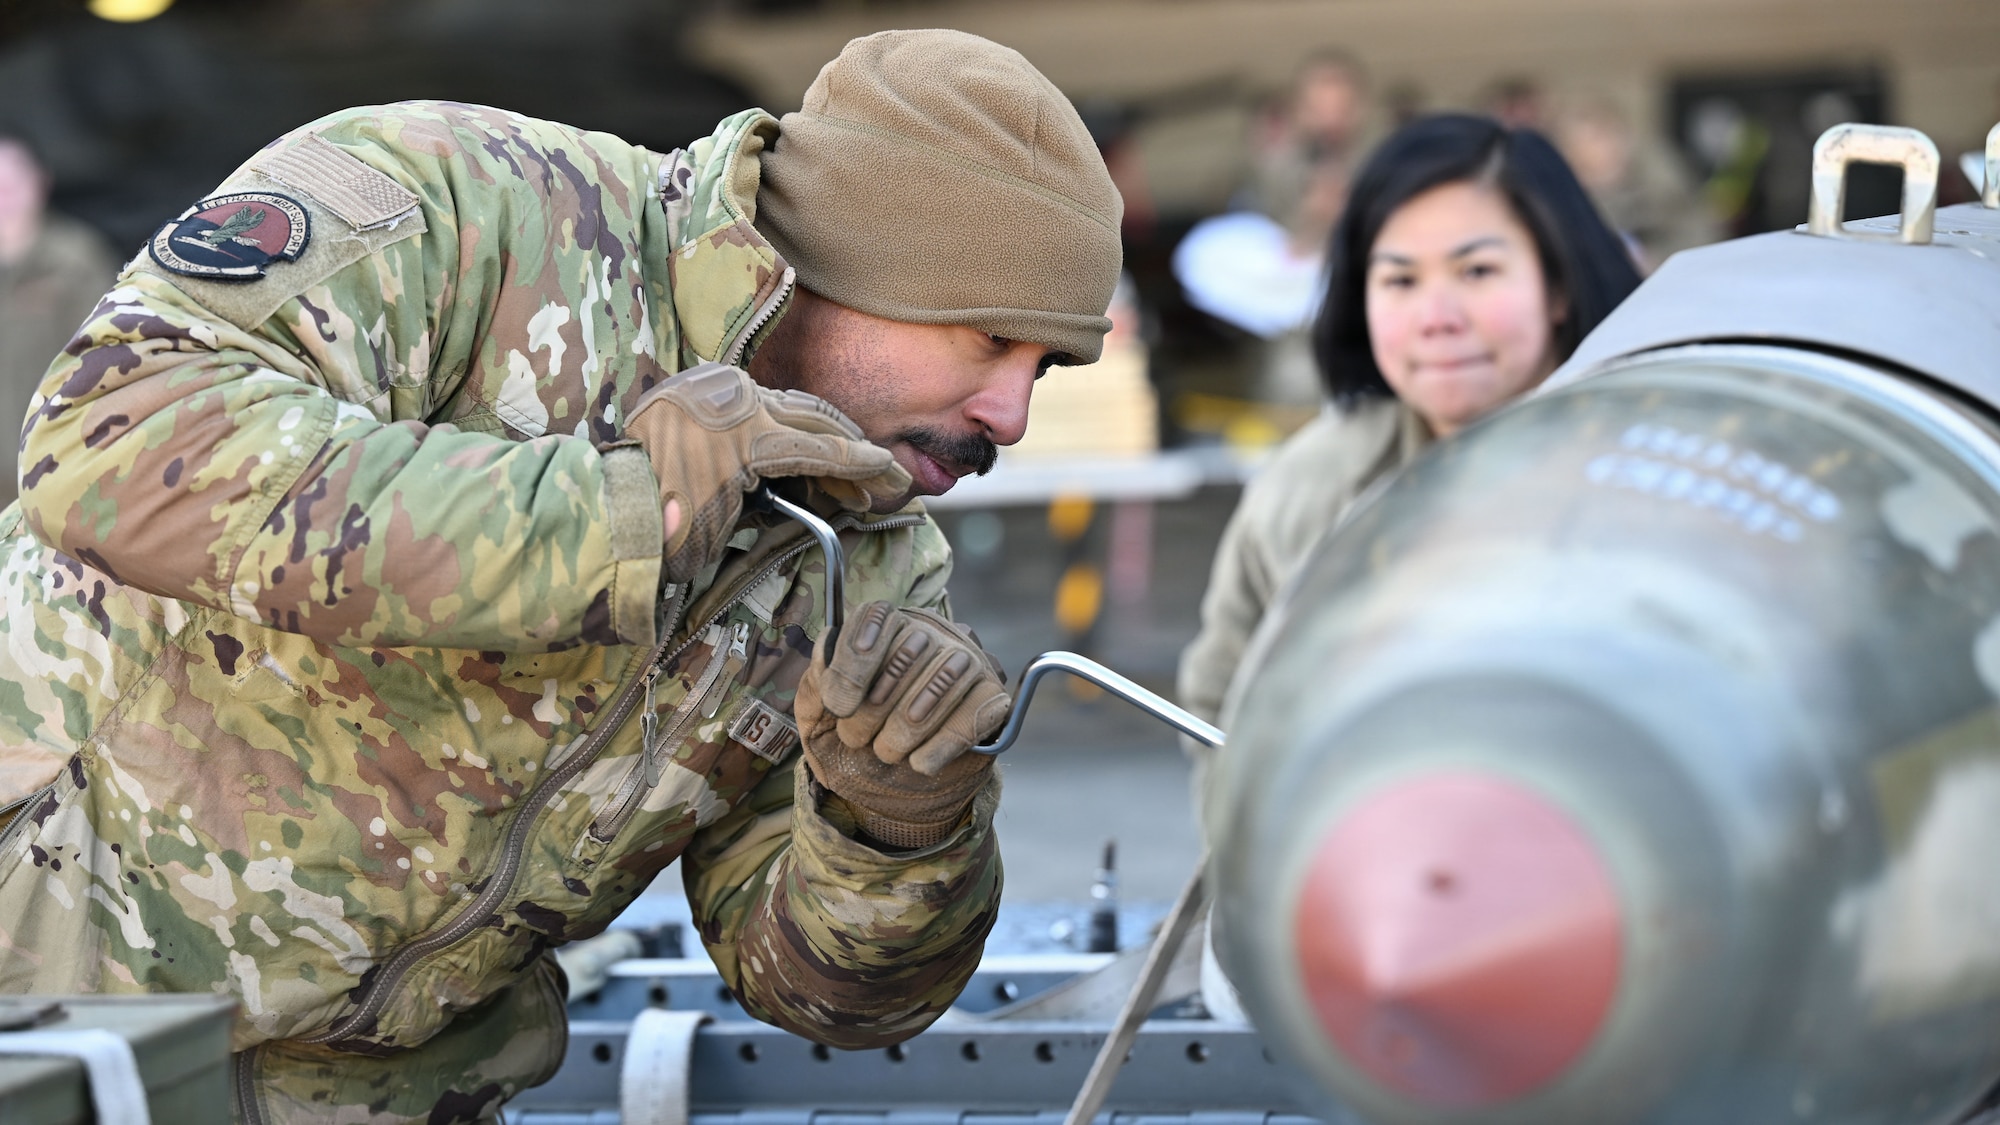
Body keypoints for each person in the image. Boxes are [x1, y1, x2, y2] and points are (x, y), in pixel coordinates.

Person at [0, 28, 1121, 1125]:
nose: (1010, 419)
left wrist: (894, 825)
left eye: (1045, 367)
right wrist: (626, 513)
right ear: (852, 263)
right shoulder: (464, 204)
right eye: (987, 342)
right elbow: (108, 438)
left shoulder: (866, 558)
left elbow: (819, 995)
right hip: (39, 1022)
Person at [1178, 114, 1640, 734]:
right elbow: (1224, 709)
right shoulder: (1310, 487)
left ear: (1558, 283)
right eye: (1400, 279)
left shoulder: (1652, 473)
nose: (1436, 317)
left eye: (1477, 271)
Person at [0, 133, 118, 509]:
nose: (5, 193)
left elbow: (108, 354)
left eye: (13, 181)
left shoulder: (76, 260)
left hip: (53, 471)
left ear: (41, 181)